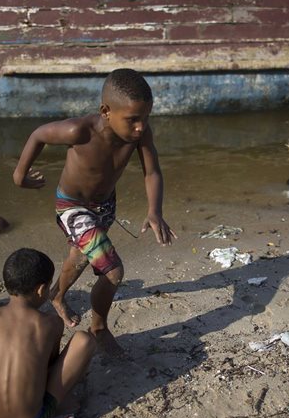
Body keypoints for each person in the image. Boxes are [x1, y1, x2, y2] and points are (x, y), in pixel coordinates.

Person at [12, 68, 176, 357]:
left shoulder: (139, 134)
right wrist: (19, 175)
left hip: (105, 206)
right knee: (113, 271)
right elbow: (39, 135)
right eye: (132, 120)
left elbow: (152, 172)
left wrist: (154, 211)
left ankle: (57, 296)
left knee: (80, 255)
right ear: (105, 111)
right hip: (72, 207)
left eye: (145, 118)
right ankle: (98, 328)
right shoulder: (80, 132)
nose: (140, 127)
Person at [0, 248, 96, 418]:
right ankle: (62, 405)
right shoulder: (50, 323)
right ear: (41, 289)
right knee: (84, 340)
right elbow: (49, 367)